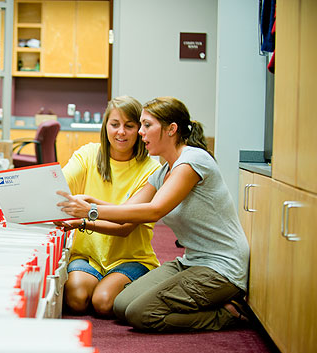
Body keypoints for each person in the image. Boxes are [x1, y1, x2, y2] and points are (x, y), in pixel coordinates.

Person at [58, 96, 250, 331]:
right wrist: (91, 202)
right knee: (120, 306)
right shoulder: (163, 172)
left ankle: (226, 314)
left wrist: (91, 211)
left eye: (146, 125)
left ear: (171, 130)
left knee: (141, 314)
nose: (140, 133)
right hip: (190, 261)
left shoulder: (193, 160)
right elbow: (129, 210)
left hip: (221, 266)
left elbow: (154, 210)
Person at [56, 96, 161, 317]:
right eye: (114, 124)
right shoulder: (88, 154)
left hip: (132, 258)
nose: (121, 132)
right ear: (105, 127)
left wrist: (82, 221)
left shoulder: (151, 169)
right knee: (75, 300)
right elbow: (60, 185)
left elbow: (125, 226)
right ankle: (104, 285)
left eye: (129, 126)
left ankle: (138, 284)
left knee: (102, 303)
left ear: (139, 130)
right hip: (88, 256)